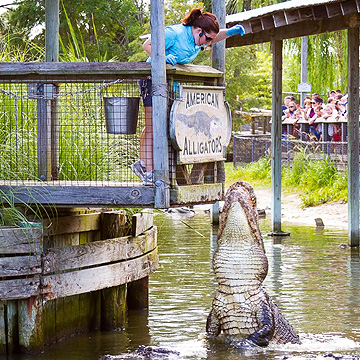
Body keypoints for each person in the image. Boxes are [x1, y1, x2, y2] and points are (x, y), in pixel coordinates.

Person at [131, 7, 245, 185]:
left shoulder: (197, 39)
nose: (207, 43)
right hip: (151, 80)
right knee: (153, 124)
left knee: (165, 126)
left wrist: (231, 32)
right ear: (199, 30)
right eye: (206, 39)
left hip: (169, 84)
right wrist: (163, 57)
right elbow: (147, 45)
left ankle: (157, 170)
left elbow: (214, 36)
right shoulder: (175, 33)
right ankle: (145, 168)